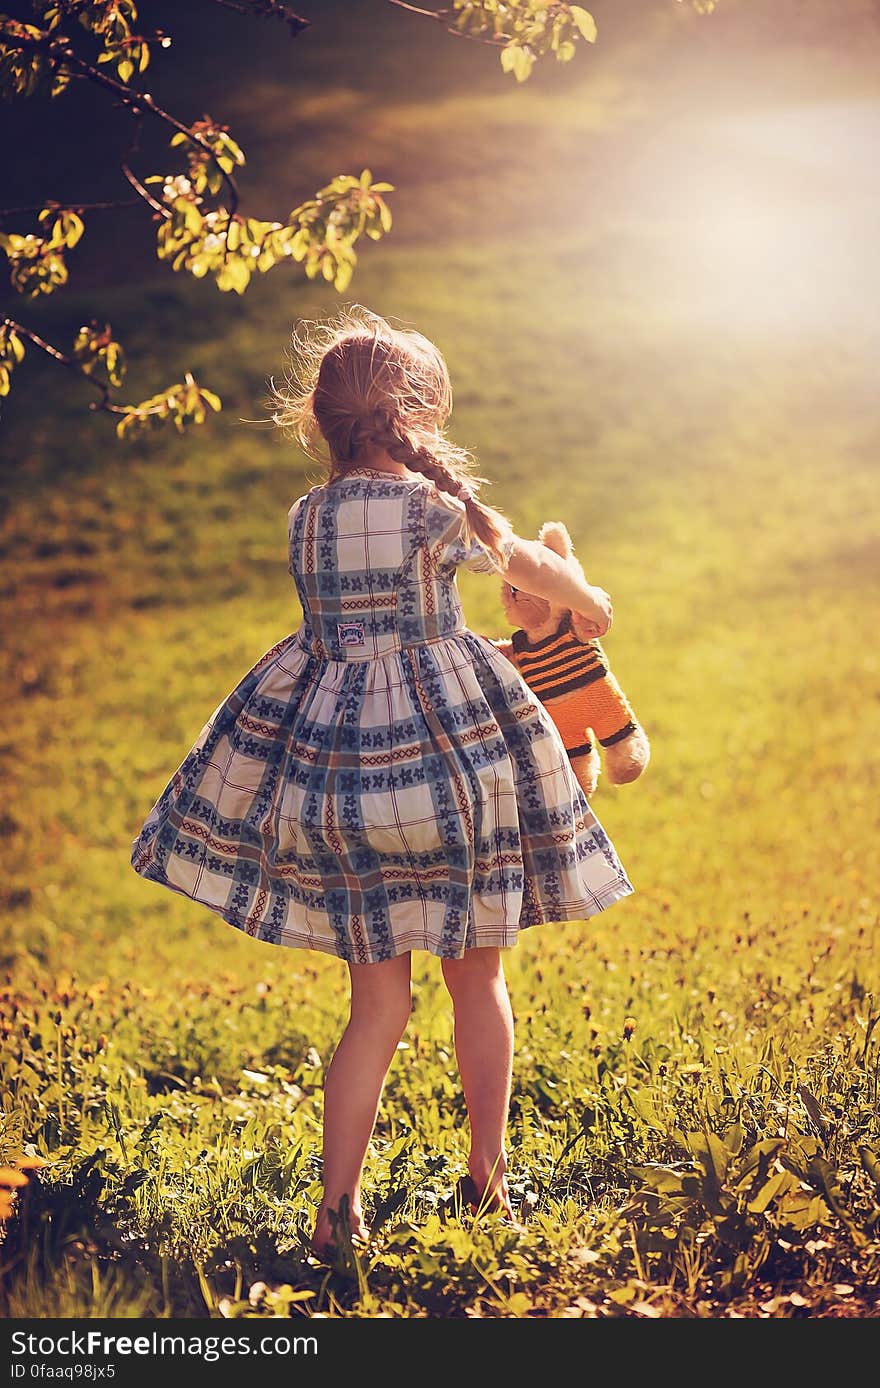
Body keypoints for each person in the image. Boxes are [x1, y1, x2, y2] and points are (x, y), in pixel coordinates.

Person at [130, 306, 634, 1258]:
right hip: (449, 773)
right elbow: (522, 560)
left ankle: (336, 1211)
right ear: (418, 415)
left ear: (321, 423)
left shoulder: (306, 517)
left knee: (376, 1008)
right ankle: (487, 1177)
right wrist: (587, 600)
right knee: (477, 979)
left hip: (342, 783)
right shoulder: (435, 510)